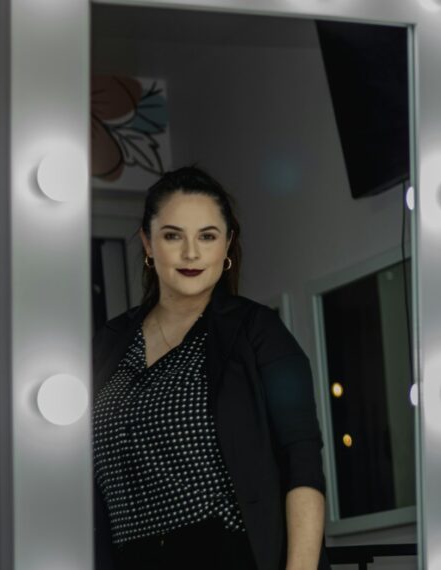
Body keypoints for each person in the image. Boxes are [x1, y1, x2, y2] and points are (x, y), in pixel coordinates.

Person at [92, 166, 330, 570]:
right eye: (172, 236)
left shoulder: (258, 332)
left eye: (207, 236)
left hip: (224, 552)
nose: (191, 253)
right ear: (148, 243)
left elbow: (301, 460)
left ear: (227, 244)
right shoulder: (108, 343)